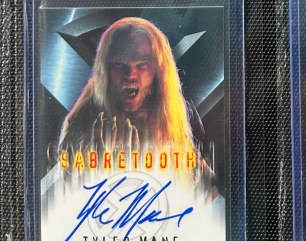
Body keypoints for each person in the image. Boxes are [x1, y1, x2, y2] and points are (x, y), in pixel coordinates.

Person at [58, 17, 207, 172]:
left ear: (158, 71)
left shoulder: (176, 116)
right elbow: (67, 176)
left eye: (142, 65)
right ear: (106, 70)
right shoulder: (84, 119)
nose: (130, 74)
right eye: (120, 65)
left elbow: (204, 181)